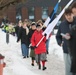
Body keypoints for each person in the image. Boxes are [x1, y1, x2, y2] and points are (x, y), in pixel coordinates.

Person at [56, 7, 76, 75]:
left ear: (73, 14)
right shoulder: (62, 25)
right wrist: (60, 42)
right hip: (67, 51)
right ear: (65, 15)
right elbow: (58, 36)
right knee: (68, 71)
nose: (68, 17)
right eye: (66, 15)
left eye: (70, 14)